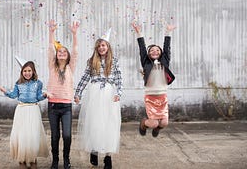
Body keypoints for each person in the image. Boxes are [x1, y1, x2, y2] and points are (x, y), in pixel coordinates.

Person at [74, 28, 122, 169]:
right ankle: (94, 150)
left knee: (109, 123)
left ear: (108, 47)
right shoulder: (91, 61)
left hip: (109, 93)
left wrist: (118, 92)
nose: (101, 48)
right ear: (97, 48)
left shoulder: (114, 61)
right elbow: (84, 78)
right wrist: (78, 93)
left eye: (104, 45)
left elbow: (119, 78)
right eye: (99, 46)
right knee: (94, 121)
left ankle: (108, 156)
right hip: (95, 93)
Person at [0, 61, 49, 169]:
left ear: (33, 71)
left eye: (29, 71)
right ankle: (21, 160)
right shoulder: (18, 83)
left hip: (33, 110)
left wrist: (45, 95)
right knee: (21, 135)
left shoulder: (38, 83)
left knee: (32, 135)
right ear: (22, 72)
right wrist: (2, 89)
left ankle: (32, 159)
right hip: (21, 110)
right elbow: (13, 95)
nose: (27, 73)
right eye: (25, 71)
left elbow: (39, 97)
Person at [131, 21, 176, 138]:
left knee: (164, 122)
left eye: (157, 50)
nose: (154, 51)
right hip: (151, 97)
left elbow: (167, 47)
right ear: (149, 54)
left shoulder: (164, 61)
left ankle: (158, 128)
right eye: (151, 50)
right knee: (154, 122)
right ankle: (143, 124)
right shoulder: (146, 62)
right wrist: (138, 32)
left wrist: (168, 31)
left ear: (160, 53)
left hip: (162, 97)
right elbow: (142, 47)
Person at [46, 19, 80, 169]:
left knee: (66, 135)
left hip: (66, 106)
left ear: (67, 56)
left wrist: (74, 34)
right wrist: (51, 32)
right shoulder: (52, 66)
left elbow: (75, 50)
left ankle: (66, 160)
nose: (61, 53)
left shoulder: (70, 67)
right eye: (59, 52)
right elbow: (50, 48)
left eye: (64, 52)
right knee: (55, 136)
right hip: (53, 105)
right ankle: (55, 161)